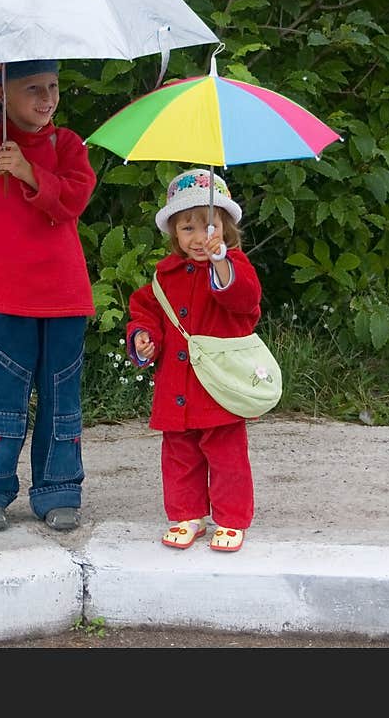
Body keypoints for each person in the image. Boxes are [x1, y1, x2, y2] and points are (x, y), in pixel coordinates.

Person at [0, 59, 96, 532]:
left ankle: (58, 490)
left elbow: (74, 197)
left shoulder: (67, 144)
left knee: (61, 398)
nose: (47, 97)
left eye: (53, 86)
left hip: (63, 296)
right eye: (32, 88)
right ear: (4, 94)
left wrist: (30, 172)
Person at [126, 169, 262, 552]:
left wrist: (221, 261)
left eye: (209, 226)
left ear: (226, 228)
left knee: (227, 455)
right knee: (179, 454)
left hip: (219, 385)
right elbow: (145, 311)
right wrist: (143, 337)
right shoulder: (165, 275)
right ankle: (187, 514)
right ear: (175, 234)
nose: (200, 237)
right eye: (187, 228)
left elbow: (246, 301)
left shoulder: (234, 267)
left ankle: (231, 518)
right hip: (177, 383)